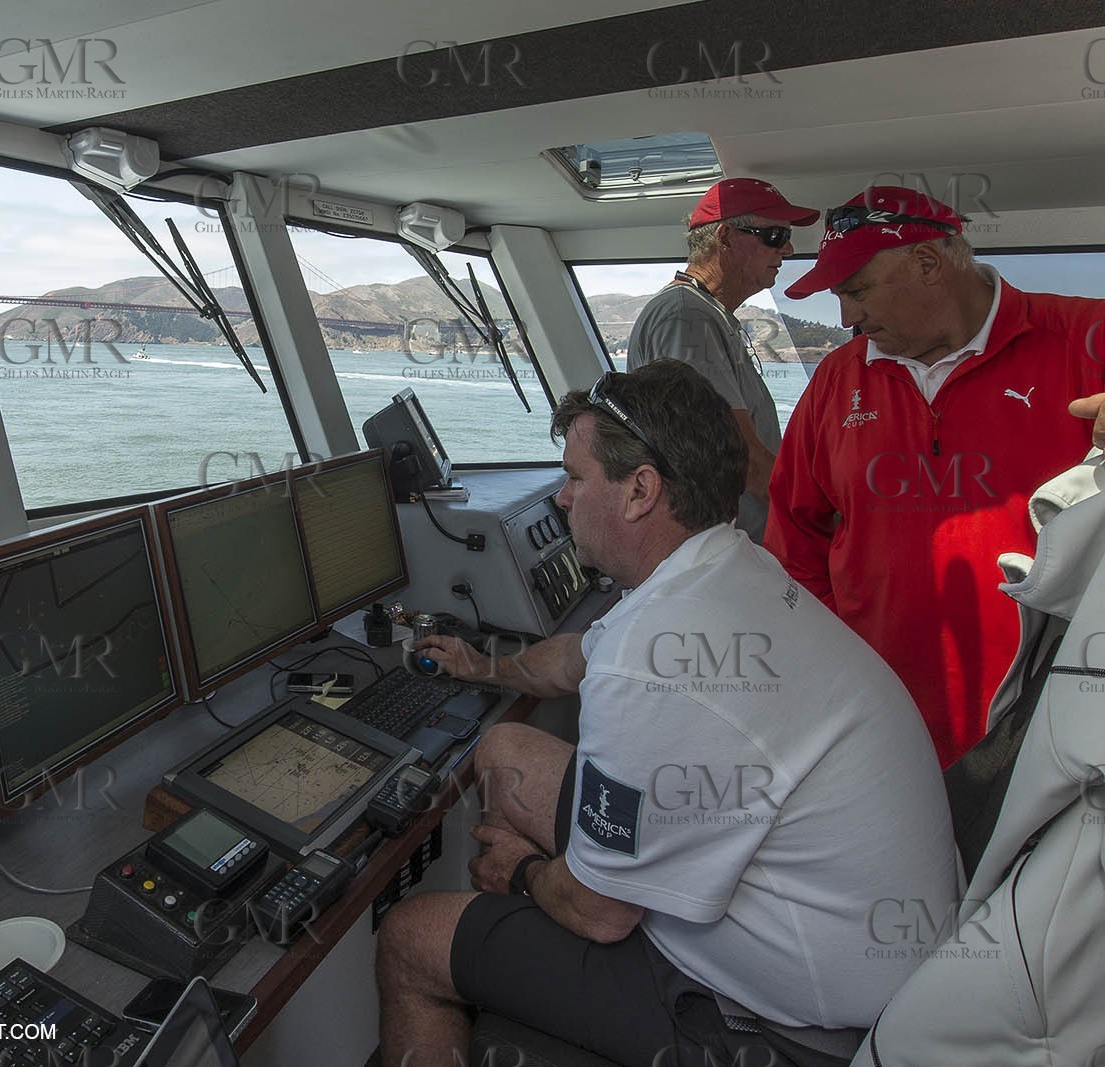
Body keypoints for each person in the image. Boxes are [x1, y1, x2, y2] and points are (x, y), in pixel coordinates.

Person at [375, 361, 958, 1067]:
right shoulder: (727, 569)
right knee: (502, 750)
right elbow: (576, 656)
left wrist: (526, 874)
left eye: (577, 477)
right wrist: (485, 667)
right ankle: (536, 932)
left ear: (640, 491)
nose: (561, 497)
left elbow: (600, 914)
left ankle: (514, 944)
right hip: (845, 923)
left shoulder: (650, 665)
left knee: (409, 938)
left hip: (796, 1021)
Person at [767, 185, 1105, 768]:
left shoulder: (1084, 336)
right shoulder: (836, 378)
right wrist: (833, 658)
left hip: (1052, 708)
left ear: (926, 263)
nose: (846, 317)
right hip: (878, 706)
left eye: (856, 291)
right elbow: (794, 534)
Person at [626, 177, 819, 542]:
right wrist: (820, 527)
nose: (788, 249)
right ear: (726, 237)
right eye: (775, 236)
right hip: (725, 551)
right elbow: (739, 455)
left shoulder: (705, 313)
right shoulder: (687, 317)